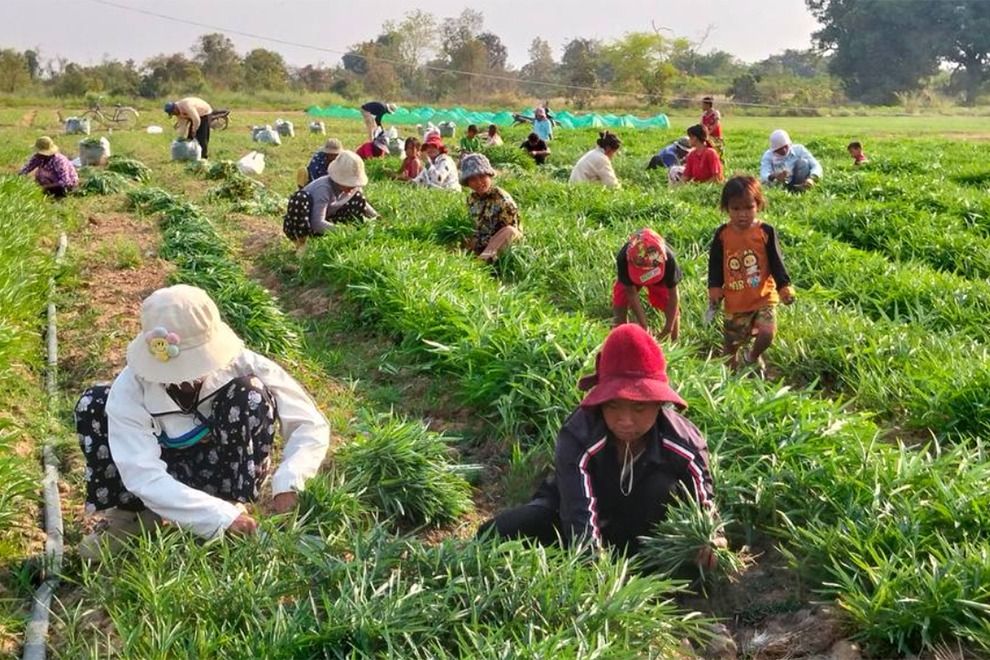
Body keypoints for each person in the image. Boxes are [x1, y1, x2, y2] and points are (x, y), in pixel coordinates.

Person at [74, 284, 331, 559]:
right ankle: (133, 516)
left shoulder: (243, 365)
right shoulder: (131, 388)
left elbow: (308, 423)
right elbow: (142, 474)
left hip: (219, 471)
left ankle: (233, 504)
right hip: (156, 478)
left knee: (250, 393)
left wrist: (290, 482)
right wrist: (216, 518)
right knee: (95, 402)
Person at [477, 323, 722, 562]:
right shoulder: (579, 434)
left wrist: (712, 538)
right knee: (498, 532)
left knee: (664, 492)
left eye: (638, 407)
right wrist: (595, 569)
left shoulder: (684, 442)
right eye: (613, 405)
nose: (625, 420)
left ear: (659, 404)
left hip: (643, 525)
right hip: (569, 514)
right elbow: (577, 510)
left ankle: (641, 562)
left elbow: (704, 507)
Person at [707, 176, 795, 375]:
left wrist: (784, 286)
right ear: (726, 208)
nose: (742, 215)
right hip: (736, 300)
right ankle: (730, 379)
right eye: (735, 209)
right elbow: (715, 264)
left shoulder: (765, 231)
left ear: (758, 205)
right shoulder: (722, 234)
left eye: (748, 207)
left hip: (764, 295)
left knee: (767, 333)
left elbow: (776, 261)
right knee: (731, 345)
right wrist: (714, 287)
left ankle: (752, 356)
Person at [283, 151, 379, 246]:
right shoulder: (323, 188)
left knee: (358, 197)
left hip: (328, 221)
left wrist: (377, 217)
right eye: (348, 184)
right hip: (308, 223)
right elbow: (317, 223)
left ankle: (339, 241)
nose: (352, 188)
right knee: (300, 198)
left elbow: (364, 204)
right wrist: (342, 230)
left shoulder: (353, 188)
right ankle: (302, 244)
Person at [612, 228, 682, 341]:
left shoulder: (669, 260)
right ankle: (620, 335)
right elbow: (631, 293)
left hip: (659, 278)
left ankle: (675, 341)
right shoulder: (624, 258)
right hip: (633, 274)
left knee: (667, 302)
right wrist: (644, 325)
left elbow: (673, 296)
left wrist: (668, 328)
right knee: (620, 298)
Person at [460, 153, 522, 263]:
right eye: (473, 179)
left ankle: (480, 263)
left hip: (498, 244)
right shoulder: (471, 199)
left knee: (510, 232)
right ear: (468, 183)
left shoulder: (502, 199)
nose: (479, 182)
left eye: (482, 176)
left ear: (489, 175)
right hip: (480, 241)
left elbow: (513, 233)